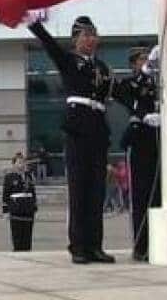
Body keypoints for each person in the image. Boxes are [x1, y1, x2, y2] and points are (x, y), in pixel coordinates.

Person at [28, 15, 115, 264]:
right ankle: (78, 246)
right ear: (75, 39)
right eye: (85, 35)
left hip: (98, 129)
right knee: (79, 190)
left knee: (97, 191)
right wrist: (34, 24)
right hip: (77, 130)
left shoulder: (103, 68)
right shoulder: (69, 61)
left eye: (93, 34)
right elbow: (49, 44)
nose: (90, 39)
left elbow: (115, 92)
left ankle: (94, 245)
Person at [112, 46, 161, 263]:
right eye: (141, 60)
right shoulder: (129, 83)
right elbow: (124, 95)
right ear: (133, 64)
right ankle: (141, 247)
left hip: (158, 137)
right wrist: (145, 72)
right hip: (140, 138)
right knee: (141, 196)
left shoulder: (156, 81)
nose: (146, 63)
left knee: (158, 195)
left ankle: (159, 243)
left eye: (146, 60)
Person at [1, 152, 37, 251]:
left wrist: (34, 205)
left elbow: (33, 191)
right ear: (14, 164)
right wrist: (5, 211)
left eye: (23, 162)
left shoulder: (29, 176)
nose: (22, 164)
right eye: (19, 162)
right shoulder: (9, 177)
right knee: (17, 236)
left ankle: (27, 251)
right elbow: (5, 195)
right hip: (16, 209)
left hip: (28, 209)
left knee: (27, 236)